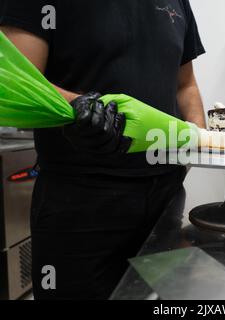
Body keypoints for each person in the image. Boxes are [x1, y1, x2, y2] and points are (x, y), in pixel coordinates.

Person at [0, 0, 206, 300]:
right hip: (80, 202)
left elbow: (185, 85)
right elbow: (17, 79)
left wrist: (197, 139)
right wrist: (83, 106)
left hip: (166, 195)